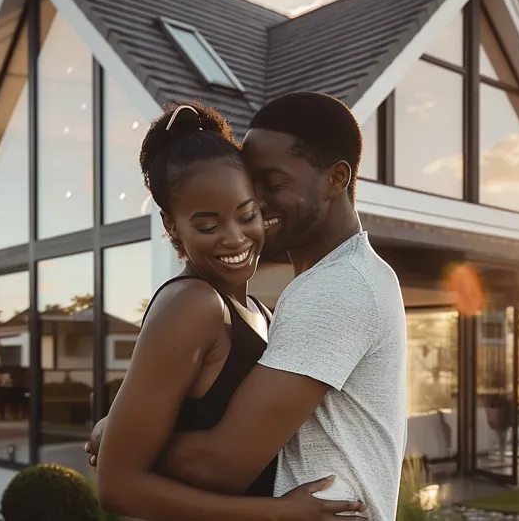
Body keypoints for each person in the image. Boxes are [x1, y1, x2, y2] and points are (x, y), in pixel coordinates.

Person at [89, 92, 408, 520]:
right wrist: (126, 441)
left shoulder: (339, 285)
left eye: (272, 184)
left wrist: (121, 438)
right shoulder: (316, 288)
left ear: (336, 178)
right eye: (251, 183)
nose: (257, 201)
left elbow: (221, 462)